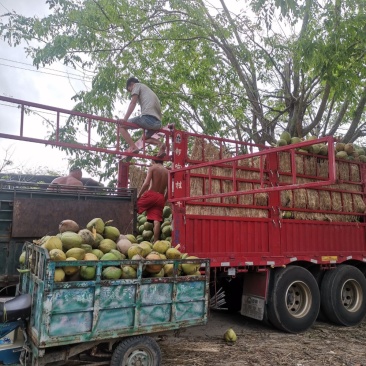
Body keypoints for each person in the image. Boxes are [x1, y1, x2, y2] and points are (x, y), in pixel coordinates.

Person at [118, 77, 166, 158]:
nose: (131, 92)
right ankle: (160, 144)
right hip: (157, 123)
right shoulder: (147, 90)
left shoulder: (136, 85)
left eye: (130, 90)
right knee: (144, 139)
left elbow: (133, 103)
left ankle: (133, 147)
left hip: (148, 118)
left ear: (131, 84)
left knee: (121, 126)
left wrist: (125, 120)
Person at [137, 158, 169, 242]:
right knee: (157, 220)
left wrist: (139, 195)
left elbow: (146, 183)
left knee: (134, 207)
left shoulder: (152, 168)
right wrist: (163, 200)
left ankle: (127, 231)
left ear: (153, 161)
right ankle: (155, 242)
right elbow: (169, 190)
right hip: (161, 197)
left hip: (151, 194)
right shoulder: (167, 172)